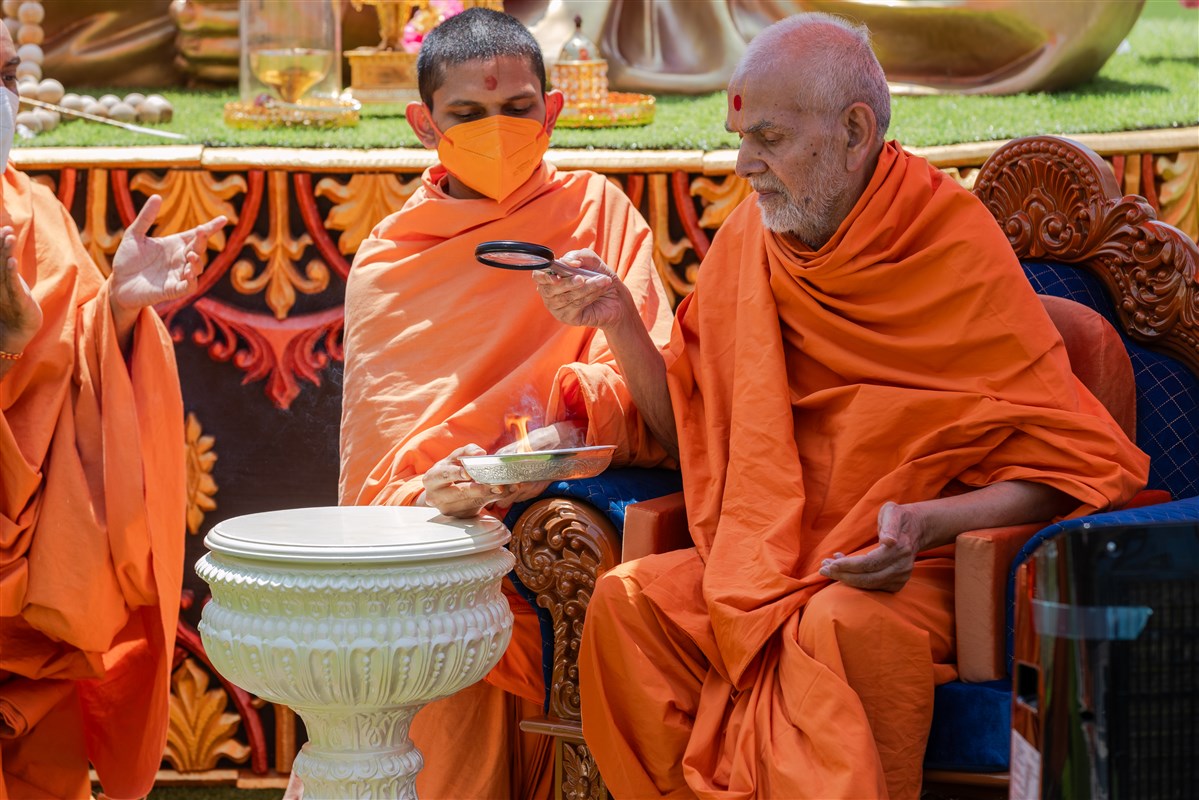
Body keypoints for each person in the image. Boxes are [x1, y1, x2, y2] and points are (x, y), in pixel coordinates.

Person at [531, 13, 1149, 799]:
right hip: (765, 558)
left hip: (910, 569)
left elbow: (1067, 470)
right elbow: (683, 425)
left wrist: (928, 522)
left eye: (769, 138)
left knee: (833, 625)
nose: (743, 163)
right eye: (738, 135)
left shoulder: (948, 246)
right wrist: (619, 318)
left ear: (855, 131)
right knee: (630, 603)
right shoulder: (749, 247)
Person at [325, 8, 672, 799]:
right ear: (424, 125)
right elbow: (379, 464)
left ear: (550, 112)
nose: (498, 128)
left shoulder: (597, 213)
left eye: (518, 109)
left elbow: (669, 420)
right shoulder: (392, 258)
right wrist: (438, 495)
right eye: (468, 114)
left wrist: (609, 329)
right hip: (435, 541)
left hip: (548, 517)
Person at [0, 22, 226, 800]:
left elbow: (75, 379)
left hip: (38, 585)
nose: (1, 98)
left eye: (5, 75)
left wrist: (120, 312)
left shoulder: (36, 213)